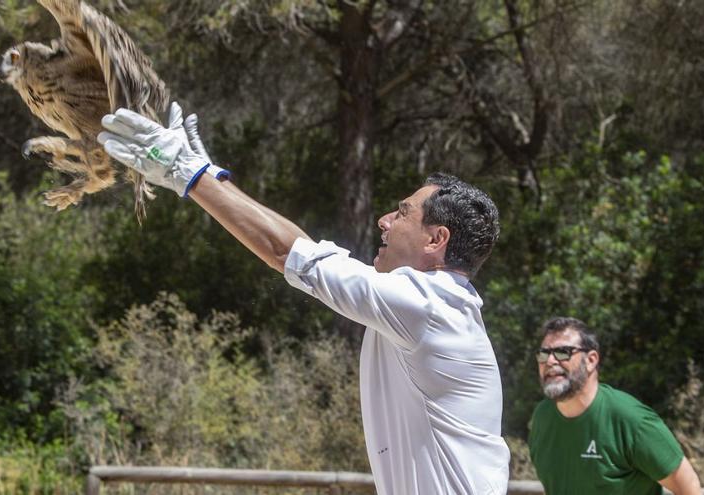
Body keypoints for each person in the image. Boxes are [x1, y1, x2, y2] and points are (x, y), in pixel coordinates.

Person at [96, 103, 511, 494]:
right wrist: (215, 184)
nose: (384, 221)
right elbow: (298, 253)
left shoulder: (428, 306)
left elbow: (292, 254)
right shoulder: (430, 306)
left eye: (402, 213)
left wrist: (190, 173)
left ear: (437, 239)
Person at [528, 317, 702, 495]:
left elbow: (688, 487)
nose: (549, 361)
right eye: (543, 354)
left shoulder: (630, 419)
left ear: (591, 360)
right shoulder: (542, 418)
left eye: (562, 352)